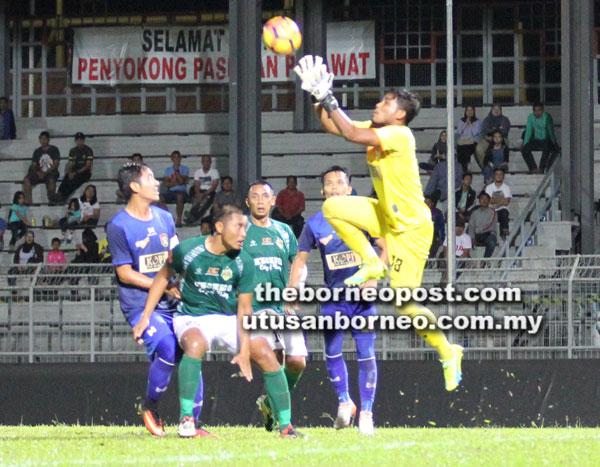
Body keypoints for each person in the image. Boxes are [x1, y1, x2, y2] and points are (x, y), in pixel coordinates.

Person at [294, 55, 462, 391]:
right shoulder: (380, 128)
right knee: (332, 208)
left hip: (412, 230)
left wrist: (328, 97)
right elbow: (334, 126)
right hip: (385, 214)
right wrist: (317, 96)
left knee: (404, 302)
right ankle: (371, 261)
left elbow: (351, 132)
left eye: (386, 102)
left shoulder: (400, 135)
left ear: (399, 113)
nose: (379, 103)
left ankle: (447, 349)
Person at [134, 205, 304, 439]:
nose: (245, 233)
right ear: (219, 227)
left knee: (266, 352)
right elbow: (162, 277)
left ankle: (285, 426)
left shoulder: (244, 261)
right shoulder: (187, 250)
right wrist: (145, 318)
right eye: (239, 227)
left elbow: (245, 309)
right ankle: (186, 420)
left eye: (246, 227)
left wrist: (244, 352)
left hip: (229, 320)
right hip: (192, 317)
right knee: (195, 345)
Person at [106, 162, 203, 438]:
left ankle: (192, 424)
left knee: (191, 350)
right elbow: (125, 274)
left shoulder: (164, 217)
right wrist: (161, 287)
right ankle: (150, 405)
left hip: (173, 301)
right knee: (166, 346)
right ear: (135, 187)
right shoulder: (118, 226)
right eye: (150, 177)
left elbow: (175, 257)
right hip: (139, 304)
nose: (156, 181)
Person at [289, 166, 386, 435]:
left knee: (366, 354)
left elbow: (388, 247)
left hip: (362, 301)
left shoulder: (364, 217)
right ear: (323, 191)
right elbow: (299, 260)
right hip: (333, 300)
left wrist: (374, 280)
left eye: (339, 182)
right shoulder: (315, 224)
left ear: (349, 188)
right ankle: (345, 402)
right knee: (332, 352)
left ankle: (366, 412)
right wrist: (292, 291)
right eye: (329, 183)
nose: (334, 187)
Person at [243, 180, 307, 433]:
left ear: (273, 202)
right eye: (255, 197)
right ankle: (285, 423)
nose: (260, 201)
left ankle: (270, 403)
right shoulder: (240, 231)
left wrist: (295, 289)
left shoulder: (283, 231)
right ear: (248, 202)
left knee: (297, 362)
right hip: (256, 308)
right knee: (274, 362)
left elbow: (298, 265)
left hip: (284, 308)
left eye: (265, 196)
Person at [54, 132, 94, 203]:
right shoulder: (73, 151)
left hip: (85, 172)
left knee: (75, 181)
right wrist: (70, 173)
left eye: (81, 140)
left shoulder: (88, 150)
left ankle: (64, 197)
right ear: (75, 141)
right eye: (78, 140)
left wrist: (76, 173)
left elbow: (87, 166)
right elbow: (70, 164)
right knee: (67, 177)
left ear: (83, 140)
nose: (79, 142)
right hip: (76, 170)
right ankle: (59, 194)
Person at [23, 131, 61, 205]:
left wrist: (45, 172)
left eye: (45, 139)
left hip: (51, 172)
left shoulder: (54, 149)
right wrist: (38, 172)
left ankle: (52, 200)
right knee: (26, 179)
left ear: (48, 139)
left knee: (51, 180)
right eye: (41, 139)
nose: (43, 141)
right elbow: (33, 165)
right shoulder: (37, 151)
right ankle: (29, 202)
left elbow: (56, 164)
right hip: (39, 173)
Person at [520, 102, 559, 173]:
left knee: (547, 147)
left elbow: (550, 131)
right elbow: (528, 130)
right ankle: (533, 168)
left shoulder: (547, 116)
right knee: (525, 149)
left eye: (539, 110)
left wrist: (554, 142)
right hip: (537, 139)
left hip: (546, 139)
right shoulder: (531, 117)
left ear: (543, 110)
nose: (537, 112)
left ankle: (541, 168)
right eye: (535, 111)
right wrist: (525, 143)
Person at [185, 154, 219, 225]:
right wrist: (198, 194)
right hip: (200, 191)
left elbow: (214, 186)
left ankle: (193, 217)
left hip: (210, 192)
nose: (206, 163)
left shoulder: (214, 172)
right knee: (196, 200)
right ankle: (193, 218)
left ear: (210, 162)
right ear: (202, 162)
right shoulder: (198, 172)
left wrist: (204, 194)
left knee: (205, 202)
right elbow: (196, 184)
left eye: (208, 161)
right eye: (204, 161)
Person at [475, 104, 511, 169]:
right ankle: (486, 167)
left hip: (501, 139)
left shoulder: (505, 119)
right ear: (491, 110)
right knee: (479, 149)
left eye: (498, 109)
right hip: (488, 139)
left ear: (501, 111)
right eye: (494, 109)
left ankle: (501, 168)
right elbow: (484, 131)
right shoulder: (487, 120)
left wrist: (493, 132)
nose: (496, 111)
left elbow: (505, 131)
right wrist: (497, 129)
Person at [160, 151, 189, 227]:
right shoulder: (168, 170)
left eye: (178, 157)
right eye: (174, 157)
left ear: (180, 158)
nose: (176, 159)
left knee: (179, 196)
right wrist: (178, 182)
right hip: (171, 192)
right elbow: (166, 184)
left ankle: (179, 219)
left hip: (182, 192)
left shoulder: (185, 169)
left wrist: (176, 170)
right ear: (172, 159)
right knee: (159, 199)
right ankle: (170, 217)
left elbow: (182, 181)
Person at [467, 191, 497, 259]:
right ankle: (469, 262)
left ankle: (484, 262)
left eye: (486, 199)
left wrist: (477, 231)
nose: (484, 200)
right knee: (465, 240)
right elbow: (471, 226)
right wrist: (472, 237)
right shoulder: (474, 213)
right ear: (479, 201)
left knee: (492, 242)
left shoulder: (493, 212)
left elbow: (491, 225)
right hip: (477, 234)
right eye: (482, 199)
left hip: (488, 234)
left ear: (489, 201)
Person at [485, 168, 512, 240]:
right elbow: (487, 201)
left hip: (501, 211)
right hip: (491, 211)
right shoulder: (489, 187)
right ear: (494, 175)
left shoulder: (506, 188)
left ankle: (504, 231)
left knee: (504, 211)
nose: (499, 176)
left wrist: (494, 201)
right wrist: (501, 200)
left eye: (501, 174)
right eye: (497, 174)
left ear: (503, 176)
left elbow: (506, 202)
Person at [456, 105, 482, 172]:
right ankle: (462, 169)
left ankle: (467, 168)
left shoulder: (477, 121)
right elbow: (459, 132)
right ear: (465, 111)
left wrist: (470, 123)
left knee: (467, 150)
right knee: (460, 150)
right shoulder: (461, 121)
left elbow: (475, 133)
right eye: (468, 110)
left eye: (471, 110)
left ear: (474, 111)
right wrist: (465, 123)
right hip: (463, 141)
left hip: (472, 142)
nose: (469, 112)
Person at [425, 195, 445, 259]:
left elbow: (442, 226)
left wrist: (442, 237)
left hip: (435, 236)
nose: (427, 204)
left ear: (432, 203)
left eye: (428, 202)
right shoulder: (420, 212)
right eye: (425, 202)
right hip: (423, 236)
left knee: (432, 254)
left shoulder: (437, 212)